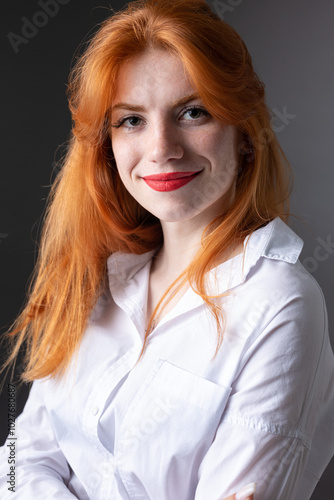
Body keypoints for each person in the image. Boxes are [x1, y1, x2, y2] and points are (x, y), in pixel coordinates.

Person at [0, 0, 333, 498]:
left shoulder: (280, 304)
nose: (161, 148)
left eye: (193, 112)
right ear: (107, 145)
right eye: (131, 120)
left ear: (245, 134)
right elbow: (15, 460)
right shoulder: (97, 280)